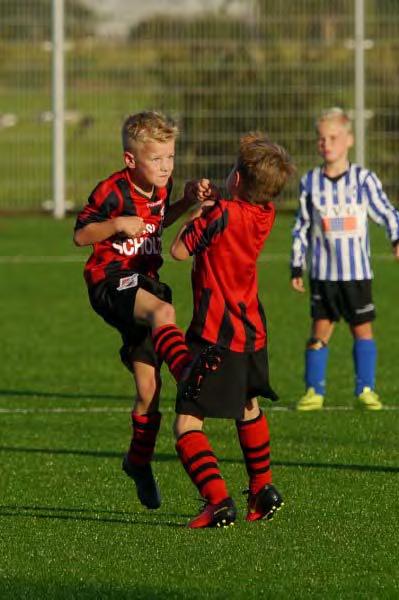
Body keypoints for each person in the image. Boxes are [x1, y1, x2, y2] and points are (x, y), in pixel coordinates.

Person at [151, 132, 295, 528]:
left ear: (235, 181)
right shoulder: (264, 213)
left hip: (218, 334)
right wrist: (219, 197)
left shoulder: (221, 214)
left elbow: (180, 250)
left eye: (232, 170)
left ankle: (217, 500)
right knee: (248, 406)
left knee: (186, 424)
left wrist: (199, 208)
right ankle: (263, 488)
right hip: (253, 333)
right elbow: (236, 207)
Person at [73, 110, 203, 510]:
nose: (165, 167)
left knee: (149, 391)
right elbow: (80, 235)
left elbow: (155, 225)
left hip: (143, 284)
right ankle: (191, 373)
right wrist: (115, 225)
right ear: (131, 160)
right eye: (157, 159)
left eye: (170, 157)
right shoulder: (113, 189)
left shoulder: (160, 189)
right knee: (164, 311)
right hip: (110, 282)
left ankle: (138, 462)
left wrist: (186, 201)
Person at [291, 107, 399, 411]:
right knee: (320, 329)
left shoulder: (363, 180)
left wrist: (396, 236)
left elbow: (386, 211)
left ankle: (365, 390)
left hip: (356, 274)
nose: (327, 144)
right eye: (322, 138)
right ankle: (314, 391)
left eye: (334, 137)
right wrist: (296, 264)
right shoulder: (310, 182)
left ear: (349, 140)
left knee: (362, 329)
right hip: (323, 275)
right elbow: (301, 226)